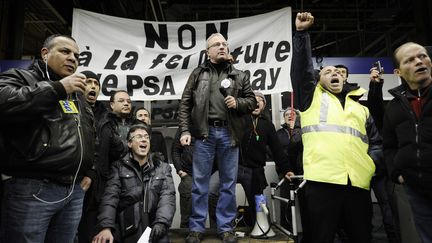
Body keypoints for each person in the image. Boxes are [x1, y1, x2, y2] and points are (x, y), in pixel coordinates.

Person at [291, 12, 382, 243]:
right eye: (327, 72)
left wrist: (370, 165)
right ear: (318, 79)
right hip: (323, 184)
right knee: (320, 238)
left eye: (338, 72)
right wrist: (302, 34)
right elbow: (301, 71)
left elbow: (376, 142)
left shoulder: (360, 108)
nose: (335, 74)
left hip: (358, 184)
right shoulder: (311, 99)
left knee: (361, 237)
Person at [0, 34, 95, 243]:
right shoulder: (21, 77)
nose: (73, 58)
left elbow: (88, 134)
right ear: (45, 53)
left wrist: (89, 170)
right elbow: (4, 102)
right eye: (65, 51)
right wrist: (58, 88)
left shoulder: (77, 95)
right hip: (32, 188)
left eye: (77, 56)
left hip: (73, 191)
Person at [177, 32, 257, 243]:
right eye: (216, 45)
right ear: (208, 52)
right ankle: (196, 228)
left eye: (224, 44)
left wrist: (237, 103)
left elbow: (252, 102)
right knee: (199, 183)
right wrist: (185, 131)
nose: (222, 47)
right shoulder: (197, 74)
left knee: (227, 184)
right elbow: (185, 103)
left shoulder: (240, 75)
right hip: (204, 134)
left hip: (229, 135)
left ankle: (225, 228)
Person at [208, 91, 293, 227]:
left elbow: (277, 150)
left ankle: (262, 230)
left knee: (258, 204)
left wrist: (287, 169)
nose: (257, 101)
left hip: (253, 171)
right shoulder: (237, 119)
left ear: (264, 106)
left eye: (261, 100)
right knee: (211, 191)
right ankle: (221, 226)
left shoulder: (268, 126)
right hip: (231, 167)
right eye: (253, 99)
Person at [92, 124, 176, 243]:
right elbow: (110, 197)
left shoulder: (163, 168)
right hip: (126, 225)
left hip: (154, 225)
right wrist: (106, 226)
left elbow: (167, 198)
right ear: (129, 144)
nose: (144, 139)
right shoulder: (118, 167)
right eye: (139, 136)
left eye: (146, 137)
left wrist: (161, 222)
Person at [382, 42, 432, 243]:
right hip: (416, 188)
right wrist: (398, 173)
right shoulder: (394, 107)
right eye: (410, 60)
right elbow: (389, 145)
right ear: (398, 71)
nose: (419, 61)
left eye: (423, 56)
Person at [78, 90, 136, 242]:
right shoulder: (103, 124)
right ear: (111, 104)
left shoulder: (139, 125)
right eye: (122, 101)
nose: (126, 103)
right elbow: (97, 152)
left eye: (129, 101)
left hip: (132, 182)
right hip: (104, 182)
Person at [367, 65, 401, 243]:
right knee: (364, 209)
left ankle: (393, 238)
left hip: (377, 167)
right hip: (361, 168)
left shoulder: (369, 114)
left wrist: (375, 86)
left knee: (386, 205)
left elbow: (375, 105)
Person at [171, 127, 195, 228]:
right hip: (189, 173)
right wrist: (180, 170)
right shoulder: (184, 127)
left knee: (213, 195)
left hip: (211, 171)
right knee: (187, 190)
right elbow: (175, 151)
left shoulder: (213, 123)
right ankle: (185, 231)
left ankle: (215, 233)